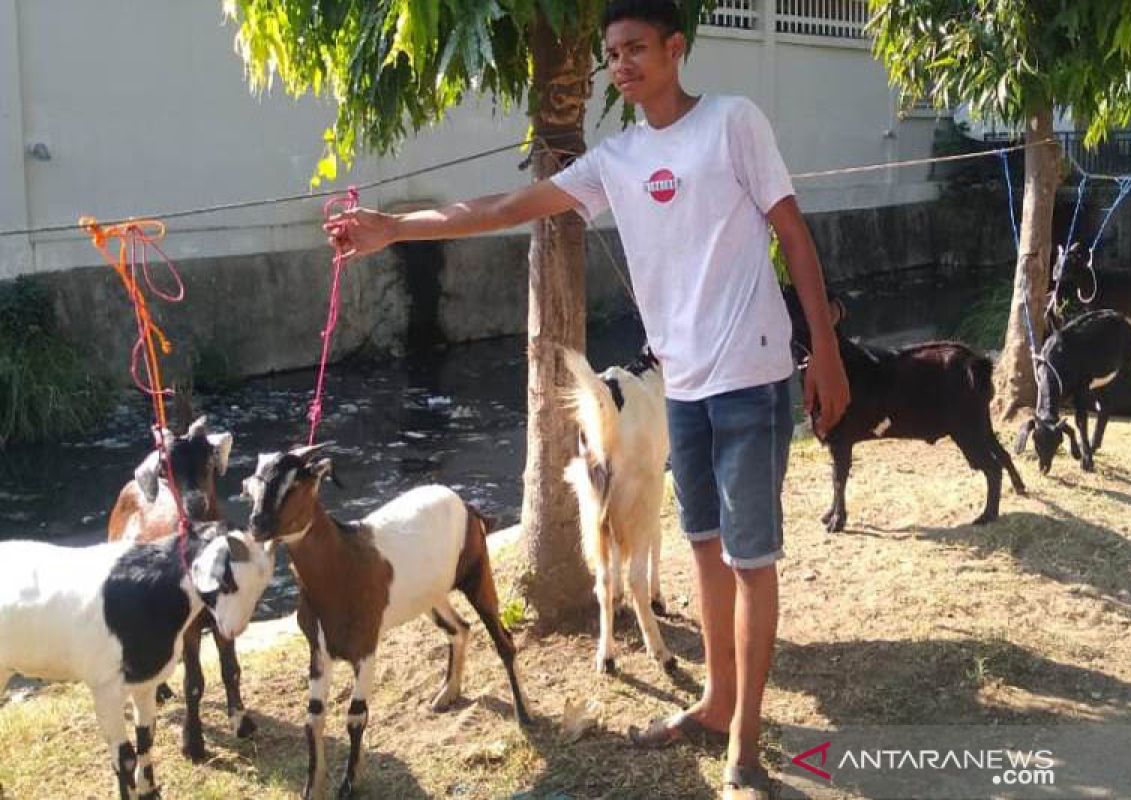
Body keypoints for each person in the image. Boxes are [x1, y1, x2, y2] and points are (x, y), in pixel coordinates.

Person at [325, 1, 850, 796]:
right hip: (685, 389)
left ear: (676, 49)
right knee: (703, 545)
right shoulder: (615, 160)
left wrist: (827, 353)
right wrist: (395, 228)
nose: (623, 63)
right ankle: (715, 703)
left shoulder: (734, 123)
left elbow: (793, 233)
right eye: (612, 52)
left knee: (751, 561)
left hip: (752, 373)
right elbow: (503, 209)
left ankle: (745, 740)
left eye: (637, 47)